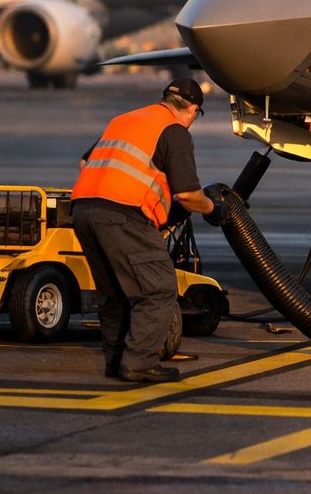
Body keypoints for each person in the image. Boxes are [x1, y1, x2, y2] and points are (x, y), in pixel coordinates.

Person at [71, 78, 218, 383]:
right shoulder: (174, 131)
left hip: (83, 210)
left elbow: (85, 161)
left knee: (114, 293)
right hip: (123, 214)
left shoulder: (125, 119)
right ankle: (138, 362)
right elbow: (189, 195)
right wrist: (214, 209)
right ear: (192, 110)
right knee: (159, 290)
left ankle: (115, 360)